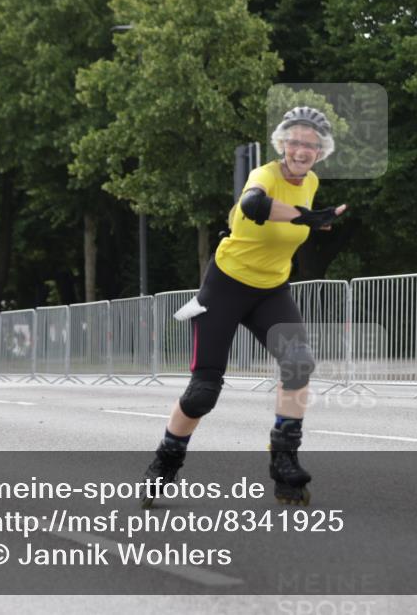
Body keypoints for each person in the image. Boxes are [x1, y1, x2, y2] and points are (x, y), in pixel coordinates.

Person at [142, 106, 347, 507]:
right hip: (226, 287)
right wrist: (307, 217)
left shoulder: (312, 182)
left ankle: (284, 462)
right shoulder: (266, 174)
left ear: (321, 151)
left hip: (271, 289)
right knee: (203, 392)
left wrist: (313, 219)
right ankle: (165, 461)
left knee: (299, 363)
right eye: (294, 141)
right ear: (282, 143)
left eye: (311, 143)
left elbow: (292, 223)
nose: (301, 149)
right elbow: (254, 204)